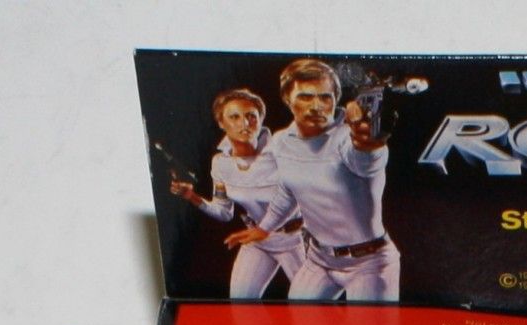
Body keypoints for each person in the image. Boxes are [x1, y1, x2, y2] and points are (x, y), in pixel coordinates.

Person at [246, 59, 400, 303]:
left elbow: (367, 163)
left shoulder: (347, 137)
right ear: (287, 98)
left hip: (370, 263)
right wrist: (264, 228)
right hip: (319, 260)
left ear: (336, 99)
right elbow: (288, 192)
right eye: (305, 97)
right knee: (299, 321)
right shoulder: (281, 141)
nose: (316, 106)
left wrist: (370, 144)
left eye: (325, 97)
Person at [166, 88, 305, 300]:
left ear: (261, 119)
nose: (245, 123)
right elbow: (224, 212)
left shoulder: (282, 153)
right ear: (221, 123)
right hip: (256, 241)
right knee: (241, 303)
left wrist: (264, 229)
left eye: (251, 116)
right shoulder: (220, 163)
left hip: (295, 240)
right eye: (234, 117)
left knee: (312, 306)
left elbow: (297, 198)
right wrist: (191, 196)